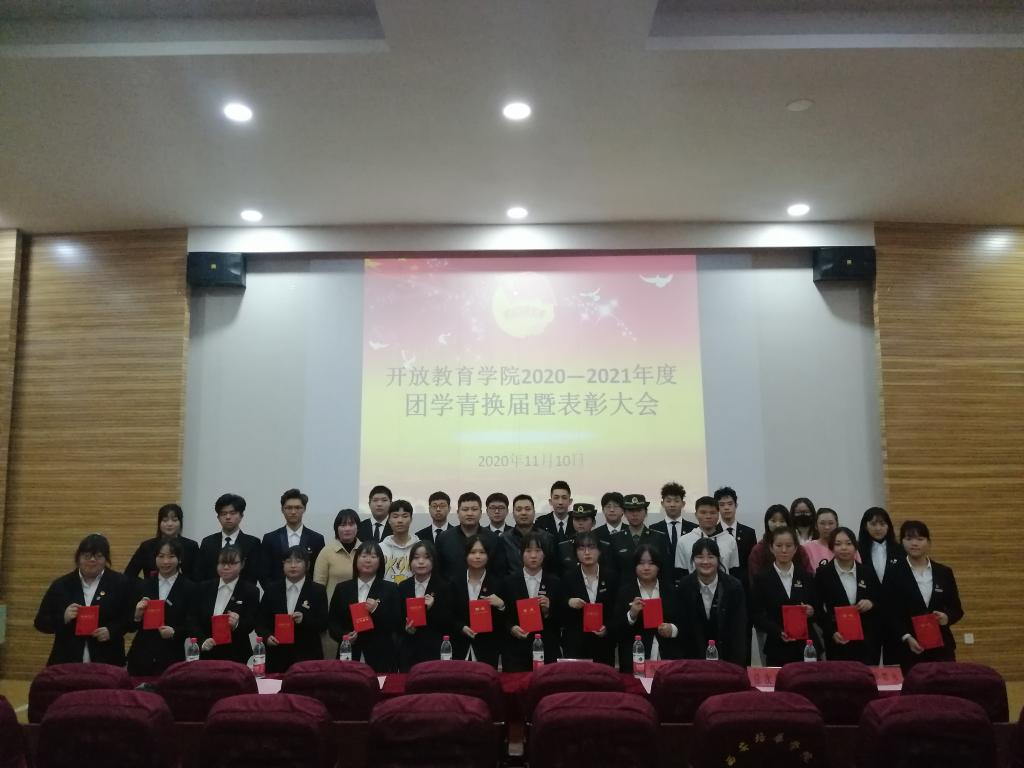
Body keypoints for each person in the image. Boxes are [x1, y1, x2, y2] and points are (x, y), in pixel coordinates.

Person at [35, 533, 131, 666]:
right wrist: (63, 618)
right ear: (78, 557)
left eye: (98, 556)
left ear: (106, 559)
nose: (92, 560)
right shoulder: (61, 585)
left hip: (108, 660)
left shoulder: (120, 583)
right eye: (87, 556)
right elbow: (40, 623)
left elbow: (131, 619)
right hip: (67, 660)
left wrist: (112, 631)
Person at [888, 520, 963, 671]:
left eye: (920, 539)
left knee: (945, 684)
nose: (914, 543)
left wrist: (946, 618)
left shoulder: (944, 572)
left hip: (941, 647)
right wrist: (906, 637)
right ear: (902, 542)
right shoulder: (893, 572)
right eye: (909, 539)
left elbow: (956, 609)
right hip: (909, 648)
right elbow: (889, 612)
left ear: (928, 542)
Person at [126, 537, 198, 675]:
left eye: (171, 557)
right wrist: (137, 616)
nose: (165, 561)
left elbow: (193, 625)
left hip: (172, 658)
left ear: (180, 559)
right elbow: (130, 626)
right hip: (141, 657)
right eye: (161, 556)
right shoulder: (143, 585)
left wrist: (175, 632)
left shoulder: (190, 588)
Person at [751, 526, 820, 665]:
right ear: (771, 548)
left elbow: (818, 609)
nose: (784, 550)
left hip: (806, 646)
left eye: (789, 546)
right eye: (779, 545)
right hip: (777, 646)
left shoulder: (806, 577)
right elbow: (756, 614)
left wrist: (811, 611)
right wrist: (777, 631)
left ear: (795, 548)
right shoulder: (761, 579)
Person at [327, 541, 400, 671]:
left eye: (373, 556)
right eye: (364, 556)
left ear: (380, 562)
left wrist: (376, 610)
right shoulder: (342, 588)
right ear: (356, 559)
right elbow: (333, 622)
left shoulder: (390, 588)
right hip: (350, 653)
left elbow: (396, 623)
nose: (368, 560)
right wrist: (344, 636)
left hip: (380, 655)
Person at [675, 538, 748, 666]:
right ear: (693, 560)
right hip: (693, 659)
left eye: (710, 557)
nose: (705, 562)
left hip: (727, 657)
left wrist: (737, 665)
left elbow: (739, 629)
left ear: (718, 559)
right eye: (699, 557)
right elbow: (683, 627)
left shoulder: (733, 587)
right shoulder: (684, 586)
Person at [256, 546, 328, 673]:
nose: (293, 565)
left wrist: (304, 619)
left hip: (307, 655)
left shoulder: (318, 590)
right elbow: (260, 622)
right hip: (276, 655)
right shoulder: (272, 589)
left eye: (298, 561)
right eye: (288, 561)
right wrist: (267, 636)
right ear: (283, 564)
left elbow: (323, 624)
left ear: (307, 565)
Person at [814, 528, 880, 664]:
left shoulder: (867, 572)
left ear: (855, 546)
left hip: (866, 640)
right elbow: (817, 608)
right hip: (837, 640)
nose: (844, 548)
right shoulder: (823, 574)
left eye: (848, 543)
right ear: (831, 547)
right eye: (838, 544)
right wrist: (831, 632)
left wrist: (871, 603)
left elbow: (881, 599)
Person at [614, 543, 681, 672]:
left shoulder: (671, 591)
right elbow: (617, 630)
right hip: (635, 660)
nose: (646, 568)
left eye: (651, 563)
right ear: (635, 566)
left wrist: (672, 629)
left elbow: (684, 623)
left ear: (658, 566)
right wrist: (632, 615)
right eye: (641, 563)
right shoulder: (624, 592)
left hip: (668, 659)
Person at [501, 531, 563, 671]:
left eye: (538, 551)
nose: (533, 556)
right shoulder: (509, 582)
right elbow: (503, 614)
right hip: (516, 651)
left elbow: (563, 618)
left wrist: (548, 610)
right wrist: (511, 628)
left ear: (544, 554)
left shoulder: (555, 582)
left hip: (547, 649)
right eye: (528, 551)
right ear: (521, 553)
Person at [193, 545, 259, 664]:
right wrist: (202, 641)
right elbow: (192, 619)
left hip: (236, 654)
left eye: (232, 563)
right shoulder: (203, 587)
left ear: (242, 564)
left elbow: (251, 623)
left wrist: (237, 624)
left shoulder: (250, 590)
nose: (226, 567)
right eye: (222, 563)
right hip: (207, 653)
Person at [562, 531, 617, 666]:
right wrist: (568, 602)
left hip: (604, 645)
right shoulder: (567, 577)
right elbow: (558, 608)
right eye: (581, 548)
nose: (587, 552)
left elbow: (617, 610)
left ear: (599, 551)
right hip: (575, 645)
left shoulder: (611, 577)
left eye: (591, 547)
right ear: (576, 553)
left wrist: (607, 628)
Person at [450, 535, 506, 668]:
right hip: (460, 646)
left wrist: (501, 606)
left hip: (487, 649)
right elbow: (448, 614)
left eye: (482, 552)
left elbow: (505, 622)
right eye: (473, 552)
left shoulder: (499, 583)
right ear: (466, 555)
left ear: (488, 556)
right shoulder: (454, 582)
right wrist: (461, 627)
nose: (477, 556)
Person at [856, 506, 903, 664]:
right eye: (873, 524)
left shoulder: (900, 550)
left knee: (895, 662)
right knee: (869, 661)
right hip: (868, 615)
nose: (878, 528)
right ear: (865, 525)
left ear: (888, 526)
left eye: (882, 524)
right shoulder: (857, 550)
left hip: (895, 614)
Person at [397, 540, 453, 670]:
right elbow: (397, 618)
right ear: (410, 561)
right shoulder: (403, 586)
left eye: (426, 557)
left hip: (434, 649)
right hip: (409, 649)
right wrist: (406, 628)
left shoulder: (444, 586)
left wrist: (432, 608)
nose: (421, 562)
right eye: (416, 558)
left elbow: (448, 622)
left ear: (434, 561)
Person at [260, 488, 326, 588]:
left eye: (298, 507)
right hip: (276, 594)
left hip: (307, 594)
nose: (293, 511)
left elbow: (319, 572)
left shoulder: (317, 539)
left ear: (304, 509)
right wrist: (273, 592)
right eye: (289, 508)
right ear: (282, 510)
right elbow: (263, 573)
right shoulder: (270, 538)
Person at [124, 503, 201, 582]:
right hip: (153, 589)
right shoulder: (147, 546)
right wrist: (144, 586)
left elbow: (198, 577)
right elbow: (129, 575)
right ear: (159, 523)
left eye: (174, 520)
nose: (169, 524)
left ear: (180, 522)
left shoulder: (191, 546)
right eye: (165, 520)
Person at [436, 492, 504, 580]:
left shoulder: (493, 539)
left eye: (474, 509)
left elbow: (499, 572)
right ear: (458, 512)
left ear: (481, 513)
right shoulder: (444, 538)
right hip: (450, 588)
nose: (470, 513)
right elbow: (437, 571)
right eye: (465, 509)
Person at [196, 493, 261, 584]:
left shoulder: (252, 543)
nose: (228, 517)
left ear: (241, 516)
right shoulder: (207, 542)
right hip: (211, 591)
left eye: (232, 513)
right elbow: (200, 574)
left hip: (242, 591)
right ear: (218, 517)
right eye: (223, 513)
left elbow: (252, 576)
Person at [747, 505, 813, 586]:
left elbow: (809, 576)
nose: (777, 525)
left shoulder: (799, 549)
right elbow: (754, 580)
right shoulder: (758, 550)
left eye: (782, 521)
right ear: (767, 523)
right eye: (773, 521)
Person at [676, 496, 740, 578]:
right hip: (693, 585)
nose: (708, 516)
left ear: (718, 515)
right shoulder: (684, 541)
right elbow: (681, 573)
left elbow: (734, 571)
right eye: (703, 512)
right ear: (696, 515)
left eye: (712, 512)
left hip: (724, 585)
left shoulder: (729, 540)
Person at [610, 493, 671, 575]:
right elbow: (612, 571)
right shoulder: (615, 538)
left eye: (639, 510)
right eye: (631, 510)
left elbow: (666, 570)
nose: (635, 514)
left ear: (646, 512)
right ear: (624, 513)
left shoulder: (659, 537)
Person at [501, 493, 558, 576]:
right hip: (512, 583)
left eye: (527, 509)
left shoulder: (547, 538)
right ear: (513, 513)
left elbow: (552, 570)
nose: (523, 513)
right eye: (519, 510)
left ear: (534, 512)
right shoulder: (504, 539)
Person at [555, 503, 614, 576]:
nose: (580, 523)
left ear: (593, 522)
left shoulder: (604, 546)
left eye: (585, 519)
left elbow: (609, 573)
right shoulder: (563, 547)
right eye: (576, 519)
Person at [713, 487, 757, 580]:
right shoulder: (712, 533)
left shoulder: (749, 533)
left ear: (736, 505)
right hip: (720, 582)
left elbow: (753, 563)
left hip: (744, 584)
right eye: (722, 505)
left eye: (730, 504)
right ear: (717, 508)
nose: (726, 508)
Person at [650, 483, 697, 567]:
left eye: (676, 501)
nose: (672, 505)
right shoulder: (653, 529)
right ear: (662, 504)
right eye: (668, 501)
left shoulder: (694, 529)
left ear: (683, 504)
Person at [379, 499, 417, 583]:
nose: (400, 520)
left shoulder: (419, 547)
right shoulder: (380, 548)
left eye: (405, 516)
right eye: (395, 516)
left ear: (411, 519)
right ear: (389, 520)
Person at [801, 507, 846, 573]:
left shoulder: (847, 546)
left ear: (837, 524)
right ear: (816, 526)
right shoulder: (806, 548)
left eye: (831, 523)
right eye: (822, 523)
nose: (827, 527)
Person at [535, 480, 573, 545]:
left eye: (564, 498)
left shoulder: (577, 522)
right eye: (556, 498)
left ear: (570, 501)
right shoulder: (541, 523)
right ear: (550, 501)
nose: (560, 502)